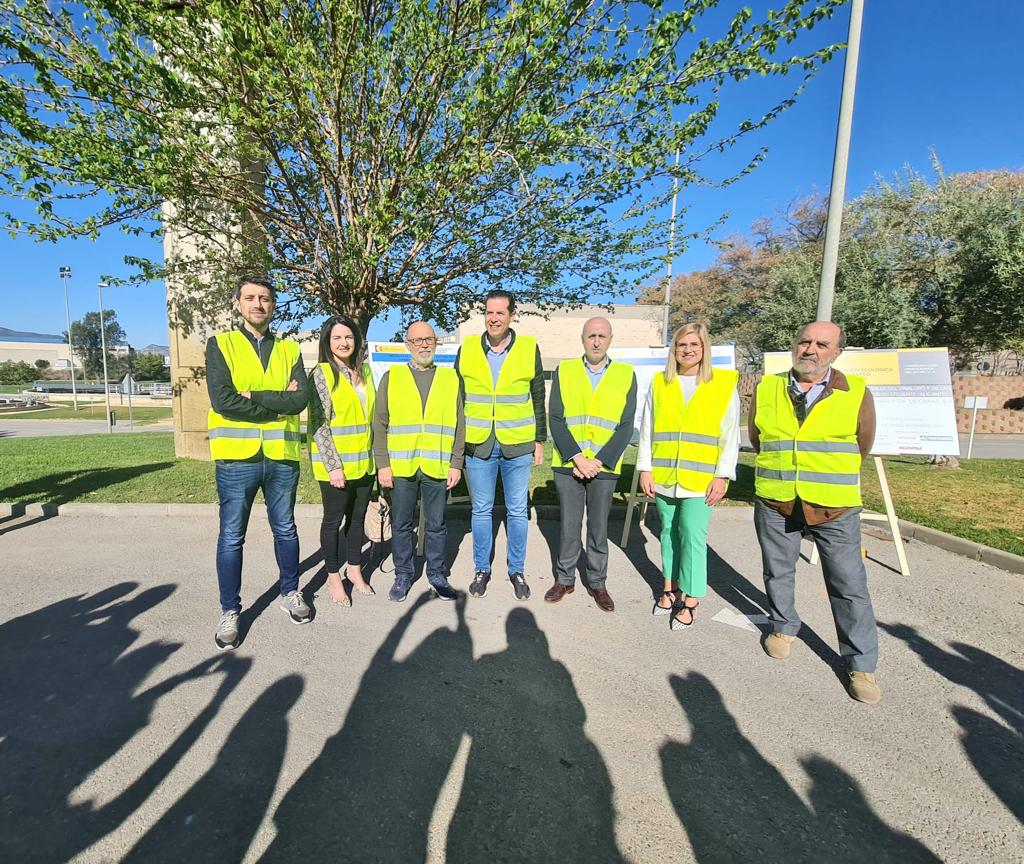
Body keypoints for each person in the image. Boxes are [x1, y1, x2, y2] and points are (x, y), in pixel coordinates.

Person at [749, 320, 880, 704]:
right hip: (777, 498)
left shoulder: (855, 392)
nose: (811, 349)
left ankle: (861, 664)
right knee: (778, 570)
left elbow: (863, 444)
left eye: (822, 344)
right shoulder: (768, 387)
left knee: (848, 584)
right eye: (805, 341)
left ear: (836, 352)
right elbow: (758, 439)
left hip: (833, 506)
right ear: (794, 346)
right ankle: (782, 627)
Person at [207, 276, 309, 649]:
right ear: (238, 304)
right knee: (232, 537)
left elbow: (299, 402)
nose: (258, 304)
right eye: (250, 298)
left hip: (282, 458)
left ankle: (290, 593)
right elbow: (223, 400)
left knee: (286, 530)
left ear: (273, 304)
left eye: (265, 298)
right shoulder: (222, 344)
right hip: (237, 459)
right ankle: (230, 611)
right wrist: (275, 402)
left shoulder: (290, 349)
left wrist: (255, 396)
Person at [637, 323, 740, 631]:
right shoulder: (661, 382)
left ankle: (691, 597)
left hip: (701, 478)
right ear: (674, 349)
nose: (688, 350)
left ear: (704, 348)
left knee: (692, 535)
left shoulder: (722, 383)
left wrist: (722, 476)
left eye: (694, 344)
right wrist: (645, 468)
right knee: (668, 532)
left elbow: (730, 434)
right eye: (682, 344)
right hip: (666, 474)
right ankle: (669, 586)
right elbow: (647, 429)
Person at [455, 290, 546, 600]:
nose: (494, 318)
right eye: (489, 313)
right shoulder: (467, 348)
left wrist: (540, 440)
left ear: (512, 316)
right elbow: (458, 398)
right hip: (478, 443)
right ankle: (482, 569)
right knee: (481, 510)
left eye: (500, 313)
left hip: (518, 443)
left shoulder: (530, 347)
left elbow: (537, 396)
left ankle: (516, 570)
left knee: (518, 510)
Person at [546, 317, 637, 612]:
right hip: (569, 463)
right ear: (582, 339)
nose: (596, 341)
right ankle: (565, 578)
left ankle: (597, 582)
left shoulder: (625, 374)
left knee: (598, 528)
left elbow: (625, 425)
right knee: (569, 526)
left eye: (601, 336)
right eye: (591, 336)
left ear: (610, 339)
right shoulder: (566, 370)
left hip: (604, 467)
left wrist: (598, 461)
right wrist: (577, 457)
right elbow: (556, 418)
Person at [375, 321, 465, 602]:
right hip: (401, 466)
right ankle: (403, 573)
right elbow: (380, 423)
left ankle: (437, 574)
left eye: (428, 339)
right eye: (417, 340)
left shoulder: (451, 379)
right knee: (401, 523)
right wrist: (383, 464)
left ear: (436, 342)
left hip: (437, 465)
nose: (423, 344)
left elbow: (460, 423)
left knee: (436, 524)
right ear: (408, 345)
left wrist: (456, 462)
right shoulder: (392, 377)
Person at [308, 315, 376, 607]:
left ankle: (355, 569)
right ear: (327, 342)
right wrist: (333, 466)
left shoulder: (367, 372)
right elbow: (318, 424)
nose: (344, 342)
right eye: (337, 338)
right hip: (335, 466)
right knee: (333, 522)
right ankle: (333, 576)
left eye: (348, 337)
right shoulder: (322, 373)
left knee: (357, 521)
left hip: (365, 462)